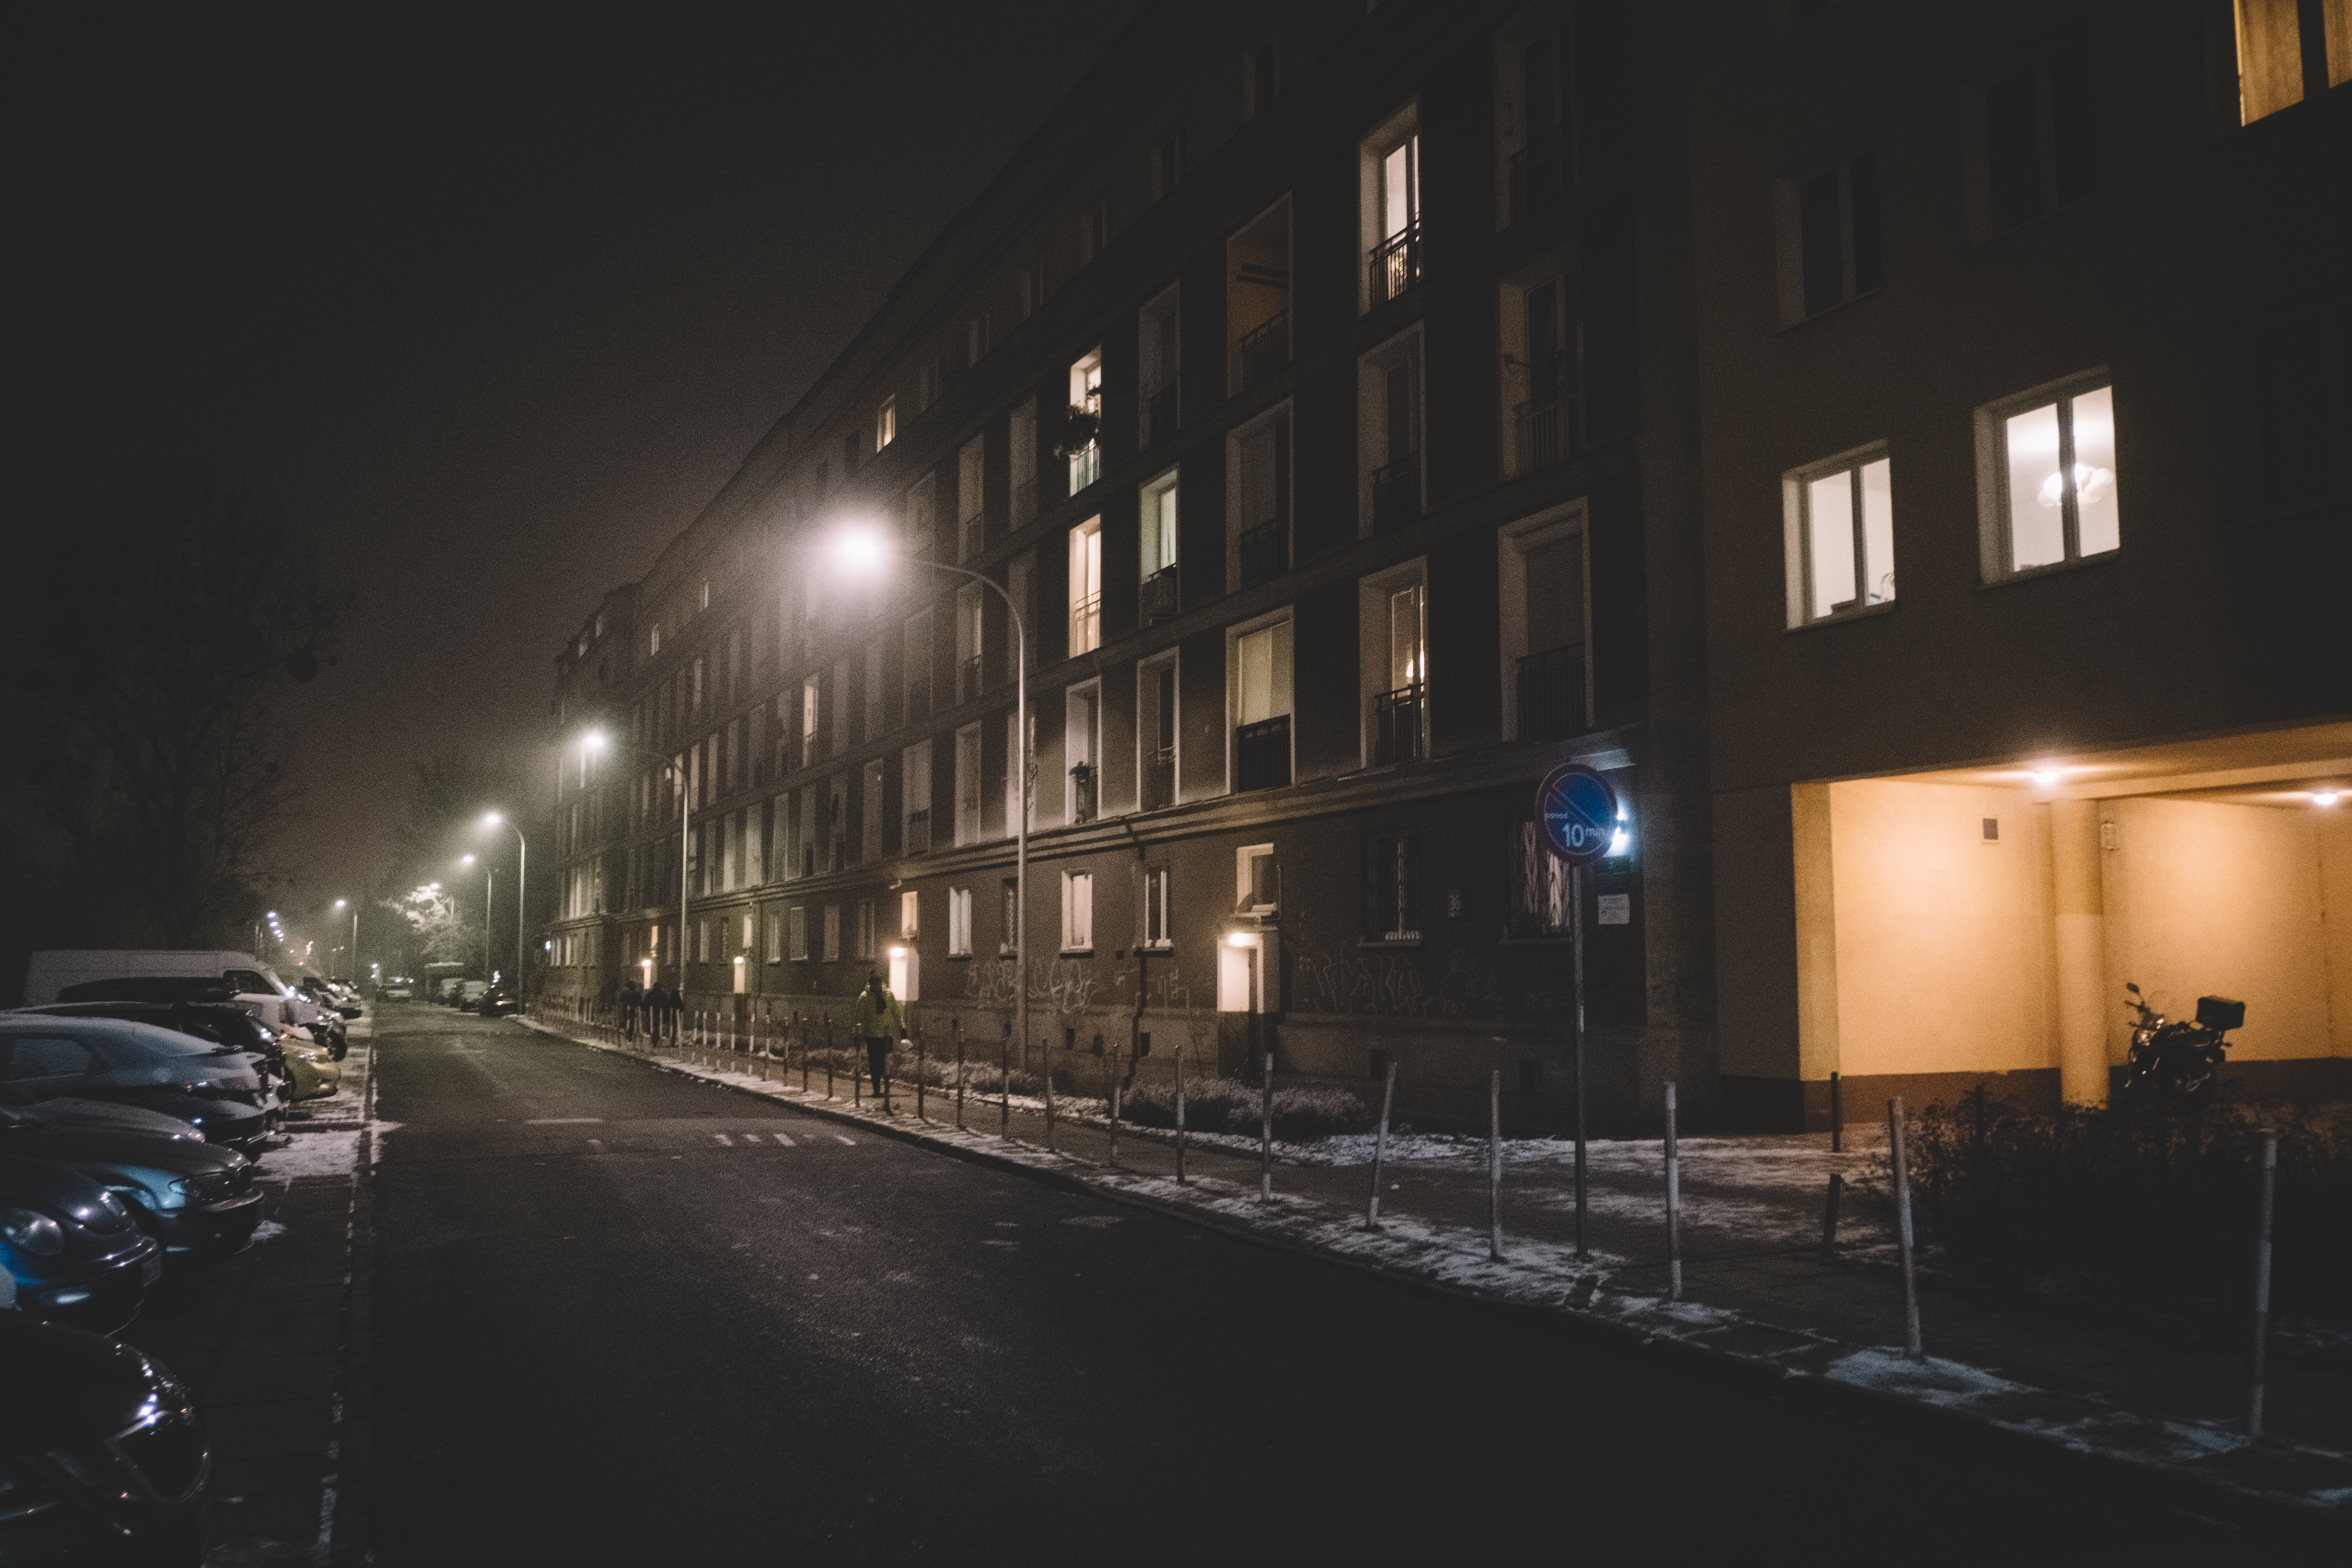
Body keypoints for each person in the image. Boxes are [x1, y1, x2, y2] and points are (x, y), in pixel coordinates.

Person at [849, 972, 907, 1102]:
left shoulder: (889, 995)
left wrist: (902, 1027)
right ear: (871, 984)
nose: (877, 986)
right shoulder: (865, 997)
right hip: (872, 1035)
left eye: (879, 984)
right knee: (875, 1062)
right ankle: (876, 1087)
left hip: (887, 1035)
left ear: (882, 983)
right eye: (875, 984)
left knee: (884, 1062)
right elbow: (858, 1017)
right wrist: (856, 1033)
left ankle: (883, 1083)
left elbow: (896, 1012)